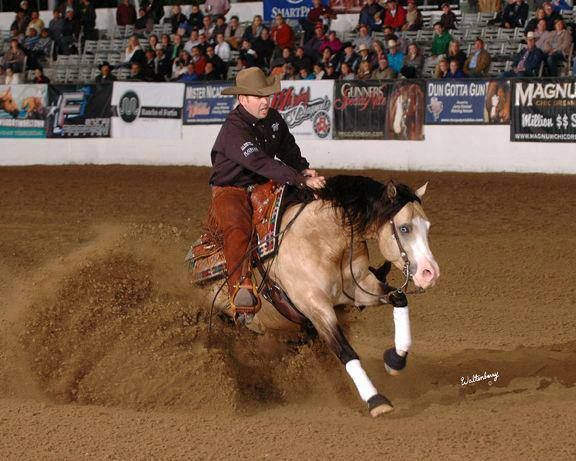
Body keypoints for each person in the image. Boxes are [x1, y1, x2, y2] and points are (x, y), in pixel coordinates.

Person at [208, 67, 325, 312]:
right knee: (238, 228)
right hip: (232, 188)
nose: (265, 101)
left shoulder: (273, 119)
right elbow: (260, 162)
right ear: (243, 99)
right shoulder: (234, 129)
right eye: (259, 96)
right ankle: (241, 287)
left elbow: (287, 149)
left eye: (267, 96)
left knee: (302, 205)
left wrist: (302, 169)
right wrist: (298, 179)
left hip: (263, 183)